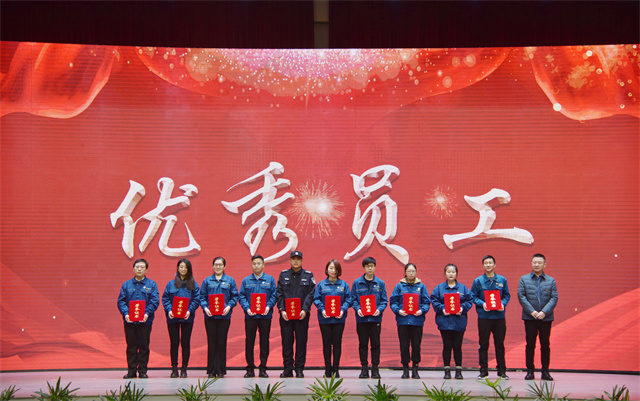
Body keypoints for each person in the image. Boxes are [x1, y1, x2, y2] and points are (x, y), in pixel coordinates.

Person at [517, 253, 558, 381]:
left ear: (544, 264)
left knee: (545, 345)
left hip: (546, 318)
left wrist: (544, 312)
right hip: (530, 318)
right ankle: (530, 371)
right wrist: (532, 312)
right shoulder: (524, 279)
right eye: (534, 262)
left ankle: (545, 372)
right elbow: (521, 296)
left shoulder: (551, 280)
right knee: (530, 345)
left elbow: (554, 298)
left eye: (539, 262)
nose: (537, 264)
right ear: (531, 263)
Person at [117, 258, 159, 379]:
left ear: (146, 270)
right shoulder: (126, 284)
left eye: (142, 267)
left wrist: (147, 313)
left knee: (144, 347)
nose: (139, 269)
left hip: (145, 321)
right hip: (129, 321)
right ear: (133, 269)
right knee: (131, 347)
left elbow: (154, 301)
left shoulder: (151, 284)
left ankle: (142, 371)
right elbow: (121, 301)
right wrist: (126, 314)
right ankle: (131, 371)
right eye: (137, 267)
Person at [430, 263, 474, 380]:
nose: (451, 274)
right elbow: (434, 300)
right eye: (448, 272)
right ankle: (447, 371)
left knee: (458, 346)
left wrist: (462, 308)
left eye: (453, 272)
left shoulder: (463, 288)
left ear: (456, 273)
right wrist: (442, 308)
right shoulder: (439, 288)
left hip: (459, 321)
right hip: (445, 322)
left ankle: (458, 371)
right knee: (447, 346)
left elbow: (469, 300)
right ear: (445, 273)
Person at [276, 250, 316, 378]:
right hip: (286, 316)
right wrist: (282, 310)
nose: (296, 261)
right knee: (287, 343)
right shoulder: (283, 275)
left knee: (301, 342)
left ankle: (299, 369)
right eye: (293, 259)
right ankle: (287, 369)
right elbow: (279, 293)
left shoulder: (308, 275)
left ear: (302, 261)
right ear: (290, 260)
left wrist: (305, 309)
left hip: (301, 315)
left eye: (298, 259)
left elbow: (311, 294)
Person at [471, 255, 511, 379]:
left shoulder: (502, 280)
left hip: (499, 317)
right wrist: (482, 304)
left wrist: (503, 304)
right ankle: (483, 370)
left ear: (494, 265)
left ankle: (501, 371)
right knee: (483, 344)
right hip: (484, 317)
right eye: (486, 263)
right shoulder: (478, 281)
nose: (488, 265)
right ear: (483, 265)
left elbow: (507, 295)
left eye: (490, 263)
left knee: (500, 344)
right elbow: (473, 296)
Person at [238, 254, 277, 378]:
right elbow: (241, 296)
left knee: (264, 341)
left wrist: (268, 306)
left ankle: (263, 368)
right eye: (254, 264)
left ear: (263, 265)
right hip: (251, 316)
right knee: (249, 341)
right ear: (251, 265)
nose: (256, 266)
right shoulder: (246, 280)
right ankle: (250, 368)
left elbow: (274, 295)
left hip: (265, 316)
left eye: (259, 263)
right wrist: (247, 308)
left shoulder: (270, 279)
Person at [389, 263, 430, 379]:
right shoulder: (399, 286)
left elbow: (427, 302)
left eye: (413, 271)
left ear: (416, 272)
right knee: (404, 345)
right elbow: (393, 301)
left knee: (416, 346)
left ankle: (415, 369)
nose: (411, 273)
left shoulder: (421, 287)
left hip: (417, 321)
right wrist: (398, 311)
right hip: (403, 321)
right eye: (409, 271)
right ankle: (405, 369)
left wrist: (422, 311)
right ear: (405, 273)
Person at [200, 256, 239, 378]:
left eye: (220, 265)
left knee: (222, 342)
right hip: (210, 317)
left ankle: (221, 370)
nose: (218, 267)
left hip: (224, 317)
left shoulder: (230, 280)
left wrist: (229, 307)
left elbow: (235, 296)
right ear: (212, 266)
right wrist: (205, 308)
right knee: (211, 342)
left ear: (224, 266)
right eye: (216, 265)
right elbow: (202, 297)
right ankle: (211, 370)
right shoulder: (207, 281)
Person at [161, 259, 200, 378]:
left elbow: (196, 299)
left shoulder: (194, 284)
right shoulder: (170, 284)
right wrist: (169, 310)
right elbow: (165, 298)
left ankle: (184, 369)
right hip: (173, 318)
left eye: (185, 267)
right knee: (174, 343)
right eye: (181, 267)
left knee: (185, 343)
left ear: (189, 269)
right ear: (178, 268)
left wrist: (189, 310)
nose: (183, 269)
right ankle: (174, 369)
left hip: (187, 318)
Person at [313, 259, 352, 378]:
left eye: (335, 268)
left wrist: (342, 310)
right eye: (331, 268)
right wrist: (322, 310)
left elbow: (349, 299)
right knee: (326, 344)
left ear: (339, 270)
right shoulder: (321, 284)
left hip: (339, 319)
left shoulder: (344, 285)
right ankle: (327, 369)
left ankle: (336, 369)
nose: (333, 270)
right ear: (327, 269)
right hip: (324, 319)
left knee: (337, 344)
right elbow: (316, 299)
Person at [351, 256, 388, 379]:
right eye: (367, 266)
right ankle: (364, 368)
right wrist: (358, 309)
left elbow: (384, 300)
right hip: (362, 319)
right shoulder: (357, 283)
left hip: (375, 319)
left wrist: (379, 310)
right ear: (363, 268)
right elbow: (353, 299)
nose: (370, 268)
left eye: (372, 266)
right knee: (363, 344)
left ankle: (375, 368)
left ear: (375, 267)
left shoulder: (380, 283)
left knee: (375, 344)